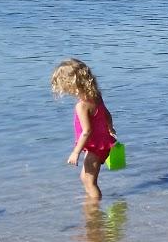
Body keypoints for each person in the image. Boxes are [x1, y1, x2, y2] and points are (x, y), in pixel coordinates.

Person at [51, 58, 118, 203]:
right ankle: (91, 201)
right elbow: (107, 114)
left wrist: (75, 152)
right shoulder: (96, 96)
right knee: (85, 177)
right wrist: (110, 127)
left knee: (90, 181)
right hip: (101, 143)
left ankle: (94, 208)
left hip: (96, 147)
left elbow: (86, 131)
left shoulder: (81, 106)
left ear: (72, 86)